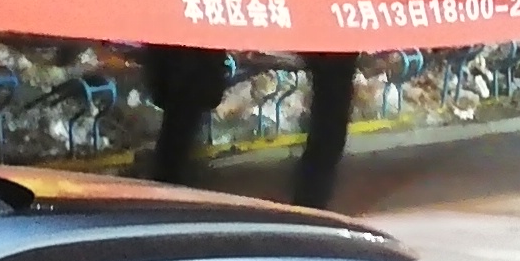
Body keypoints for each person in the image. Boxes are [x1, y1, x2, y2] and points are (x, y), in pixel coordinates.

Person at [141, 46, 361, 209]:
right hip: (188, 73)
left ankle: (167, 190)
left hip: (186, 72)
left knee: (178, 130)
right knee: (179, 129)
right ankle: (312, 199)